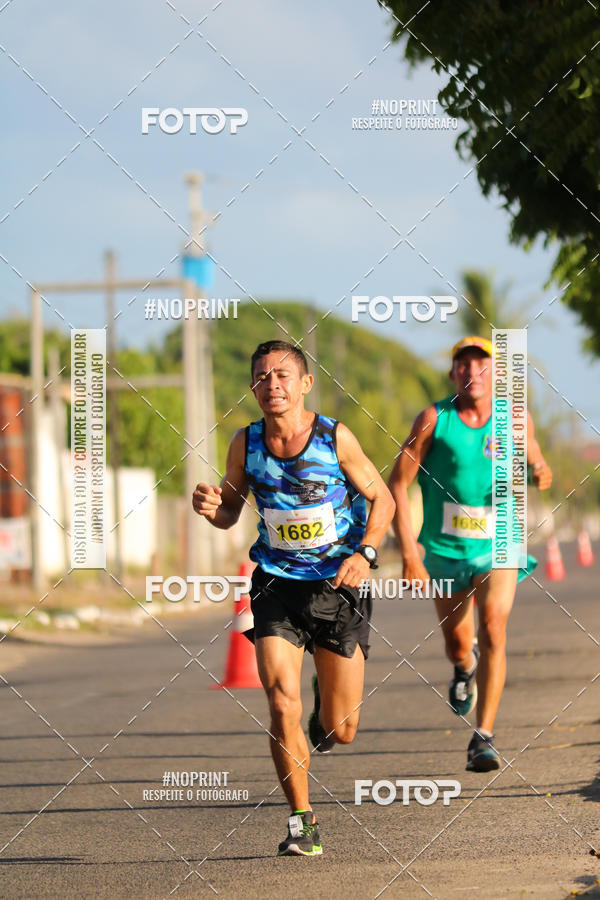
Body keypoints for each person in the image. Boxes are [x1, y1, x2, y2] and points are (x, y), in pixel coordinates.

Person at [192, 339, 395, 855]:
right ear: (252, 386)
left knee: (341, 729)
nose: (272, 385)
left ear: (305, 383)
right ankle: (302, 821)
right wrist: (211, 508)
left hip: (339, 585)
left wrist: (366, 553)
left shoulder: (334, 437)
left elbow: (383, 498)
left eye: (282, 375)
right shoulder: (245, 443)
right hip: (276, 584)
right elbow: (230, 511)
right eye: (262, 377)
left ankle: (325, 707)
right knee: (281, 701)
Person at [388, 336, 552, 772]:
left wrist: (539, 470)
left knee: (494, 626)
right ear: (452, 374)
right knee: (458, 643)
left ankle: (484, 736)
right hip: (445, 548)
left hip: (500, 540)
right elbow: (398, 482)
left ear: (496, 375)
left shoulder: (515, 418)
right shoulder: (434, 419)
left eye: (482, 364)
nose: (472, 372)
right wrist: (409, 553)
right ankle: (464, 667)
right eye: (463, 364)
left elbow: (535, 458)